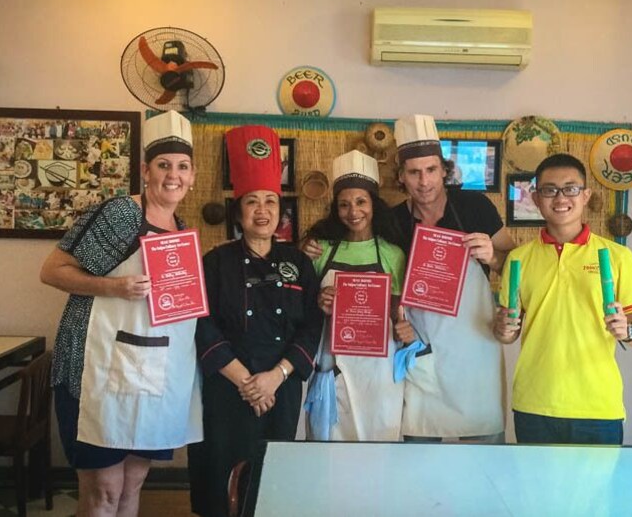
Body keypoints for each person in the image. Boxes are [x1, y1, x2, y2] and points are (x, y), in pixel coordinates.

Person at [40, 110, 203, 516]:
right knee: (104, 492)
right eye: (164, 165)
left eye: (183, 167)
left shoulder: (179, 227)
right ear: (145, 170)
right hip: (95, 369)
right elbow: (52, 271)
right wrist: (114, 287)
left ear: (193, 175)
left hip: (147, 371)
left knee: (133, 486)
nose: (173, 175)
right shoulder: (121, 214)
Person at [189, 125, 323, 517]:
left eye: (270, 201)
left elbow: (312, 324)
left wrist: (275, 377)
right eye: (252, 202)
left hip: (280, 388)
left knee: (273, 479)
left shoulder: (298, 263)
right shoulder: (215, 262)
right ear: (239, 211)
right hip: (227, 387)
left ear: (281, 211)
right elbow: (201, 323)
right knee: (222, 477)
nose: (262, 210)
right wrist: (246, 382)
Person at [494, 153, 632, 445]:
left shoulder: (618, 258)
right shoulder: (519, 258)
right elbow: (508, 333)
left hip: (597, 406)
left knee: (597, 492)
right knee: (535, 491)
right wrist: (503, 329)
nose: (560, 197)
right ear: (536, 197)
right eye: (549, 190)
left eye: (570, 188)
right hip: (534, 402)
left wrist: (626, 331)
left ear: (585, 195)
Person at [390, 114, 515, 442]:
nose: (424, 181)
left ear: (443, 170)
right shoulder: (393, 221)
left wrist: (492, 255)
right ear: (401, 176)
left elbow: (514, 264)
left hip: (475, 346)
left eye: (431, 170)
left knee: (483, 450)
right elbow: (387, 282)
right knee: (418, 450)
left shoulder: (474, 206)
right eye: (414, 172)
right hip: (423, 348)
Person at [303, 149, 409, 441]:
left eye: (361, 202)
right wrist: (318, 301)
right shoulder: (321, 249)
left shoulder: (392, 253)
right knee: (330, 459)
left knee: (378, 455)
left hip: (380, 373)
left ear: (374, 204)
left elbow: (400, 313)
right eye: (344, 205)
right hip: (333, 366)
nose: (353, 212)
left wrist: (403, 328)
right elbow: (298, 307)